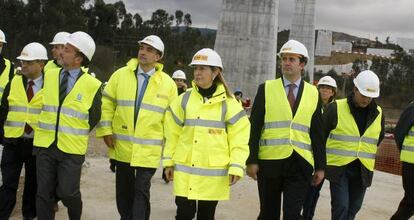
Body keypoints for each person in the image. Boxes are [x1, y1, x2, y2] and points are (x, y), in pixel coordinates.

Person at [96, 35, 177, 220]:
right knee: (123, 193)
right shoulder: (120, 75)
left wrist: (170, 158)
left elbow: (172, 122)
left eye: (149, 50)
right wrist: (106, 130)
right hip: (122, 147)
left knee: (141, 191)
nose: (143, 52)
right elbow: (107, 103)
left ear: (158, 57)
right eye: (142, 47)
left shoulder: (168, 85)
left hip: (148, 151)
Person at [163, 48, 250, 220]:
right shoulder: (183, 100)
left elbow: (239, 139)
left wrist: (236, 166)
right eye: (195, 68)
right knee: (183, 215)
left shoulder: (230, 104)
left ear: (215, 72)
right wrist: (168, 162)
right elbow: (172, 135)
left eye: (202, 69)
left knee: (206, 216)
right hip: (185, 171)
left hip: (212, 175)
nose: (197, 73)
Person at [246, 39, 326, 220]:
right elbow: (255, 128)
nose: (287, 63)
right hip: (270, 163)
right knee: (268, 214)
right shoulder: (266, 89)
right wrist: (251, 160)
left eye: (292, 59)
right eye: (284, 59)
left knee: (292, 214)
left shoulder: (314, 93)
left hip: (300, 164)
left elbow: (317, 133)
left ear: (302, 64)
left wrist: (321, 166)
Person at [33, 31, 102, 220]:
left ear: (79, 58)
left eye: (67, 49)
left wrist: (73, 131)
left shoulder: (92, 85)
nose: (61, 52)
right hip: (45, 145)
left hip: (71, 150)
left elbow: (94, 116)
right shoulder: (50, 73)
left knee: (67, 193)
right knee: (43, 194)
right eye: (62, 48)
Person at [324, 70, 384, 220]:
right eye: (363, 95)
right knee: (341, 206)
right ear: (355, 89)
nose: (366, 100)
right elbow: (320, 136)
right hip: (339, 168)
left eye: (370, 97)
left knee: (353, 208)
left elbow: (379, 138)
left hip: (363, 169)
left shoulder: (379, 113)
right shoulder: (335, 108)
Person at [0, 42, 48, 220]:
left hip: (37, 145)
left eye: (29, 62)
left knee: (32, 186)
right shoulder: (14, 82)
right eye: (23, 62)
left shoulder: (51, 86)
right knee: (8, 185)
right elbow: (3, 109)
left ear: (41, 64)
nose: (24, 65)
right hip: (13, 143)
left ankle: (29, 216)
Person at [302, 75, 337, 219]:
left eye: (328, 88)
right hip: (309, 154)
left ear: (333, 92)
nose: (324, 91)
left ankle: (309, 215)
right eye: (322, 87)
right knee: (306, 190)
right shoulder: (310, 105)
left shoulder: (336, 109)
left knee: (315, 191)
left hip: (324, 157)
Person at [391, 101, 414, 220]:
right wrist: (405, 152)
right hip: (411, 164)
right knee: (411, 201)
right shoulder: (413, 108)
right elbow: (399, 132)